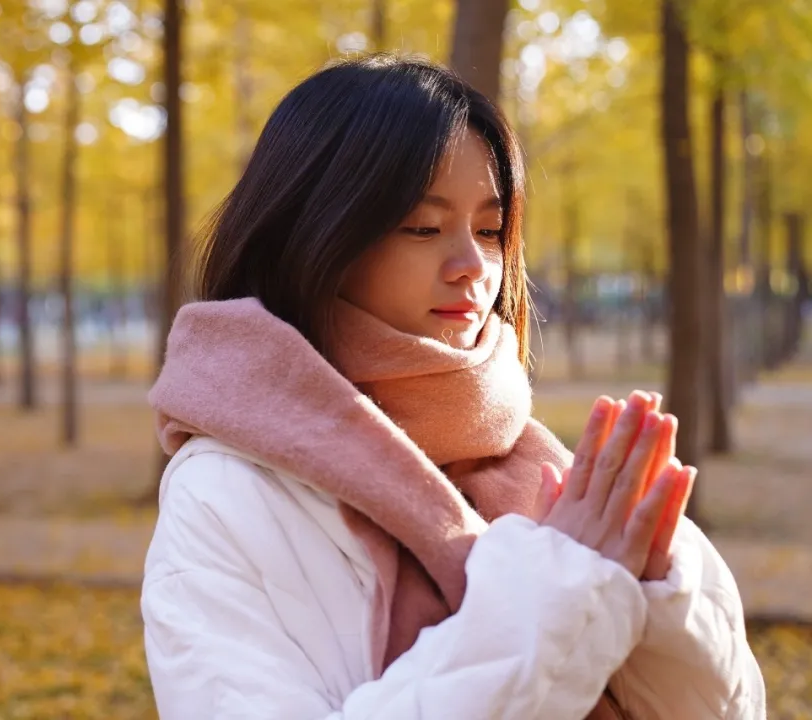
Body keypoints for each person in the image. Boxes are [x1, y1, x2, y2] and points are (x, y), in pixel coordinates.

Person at [142, 54, 765, 719]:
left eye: (491, 230)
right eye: (423, 227)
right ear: (316, 233)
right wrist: (564, 589)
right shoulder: (223, 495)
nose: (473, 266)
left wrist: (653, 582)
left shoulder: (540, 466)